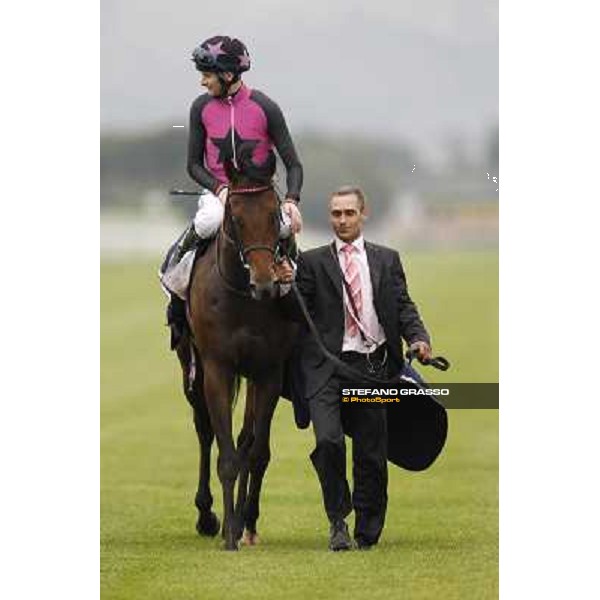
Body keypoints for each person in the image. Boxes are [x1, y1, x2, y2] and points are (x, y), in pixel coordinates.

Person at [276, 185, 432, 551]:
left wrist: (419, 339)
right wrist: (285, 287)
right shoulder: (312, 263)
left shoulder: (387, 259)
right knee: (328, 442)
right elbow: (295, 316)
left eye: (348, 213)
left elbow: (404, 307)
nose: (341, 220)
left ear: (364, 214)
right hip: (326, 370)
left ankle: (367, 529)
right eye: (335, 214)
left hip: (373, 368)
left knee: (371, 454)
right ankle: (337, 521)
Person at [160, 35, 304, 348]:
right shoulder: (200, 108)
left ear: (227, 75)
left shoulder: (265, 107)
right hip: (219, 193)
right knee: (208, 221)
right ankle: (176, 281)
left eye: (207, 75)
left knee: (282, 227)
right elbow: (193, 166)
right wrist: (220, 188)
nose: (202, 82)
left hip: (262, 195)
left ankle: (300, 300)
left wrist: (292, 201)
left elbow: (294, 165)